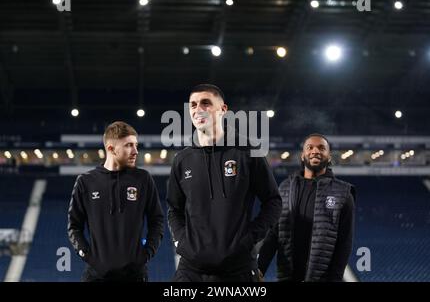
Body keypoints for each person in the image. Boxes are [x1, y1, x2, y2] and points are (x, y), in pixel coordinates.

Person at [167, 84, 282, 282]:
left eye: (205, 103)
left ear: (223, 109)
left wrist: (248, 239)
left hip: (238, 269)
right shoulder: (182, 159)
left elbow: (273, 202)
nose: (197, 109)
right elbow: (174, 210)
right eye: (193, 105)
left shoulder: (247, 151)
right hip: (191, 270)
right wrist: (183, 242)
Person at [67, 121, 164, 281]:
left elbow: (157, 220)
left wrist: (147, 253)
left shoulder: (143, 179)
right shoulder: (86, 182)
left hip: (135, 276)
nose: (135, 151)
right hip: (97, 276)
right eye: (128, 145)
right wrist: (87, 255)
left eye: (136, 145)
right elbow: (74, 226)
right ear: (111, 149)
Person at [258, 133, 355, 282]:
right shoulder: (285, 188)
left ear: (329, 157)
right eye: (310, 147)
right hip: (288, 277)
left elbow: (344, 242)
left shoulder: (343, 193)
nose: (315, 151)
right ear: (303, 156)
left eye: (321, 148)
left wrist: (334, 278)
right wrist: (260, 268)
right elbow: (274, 233)